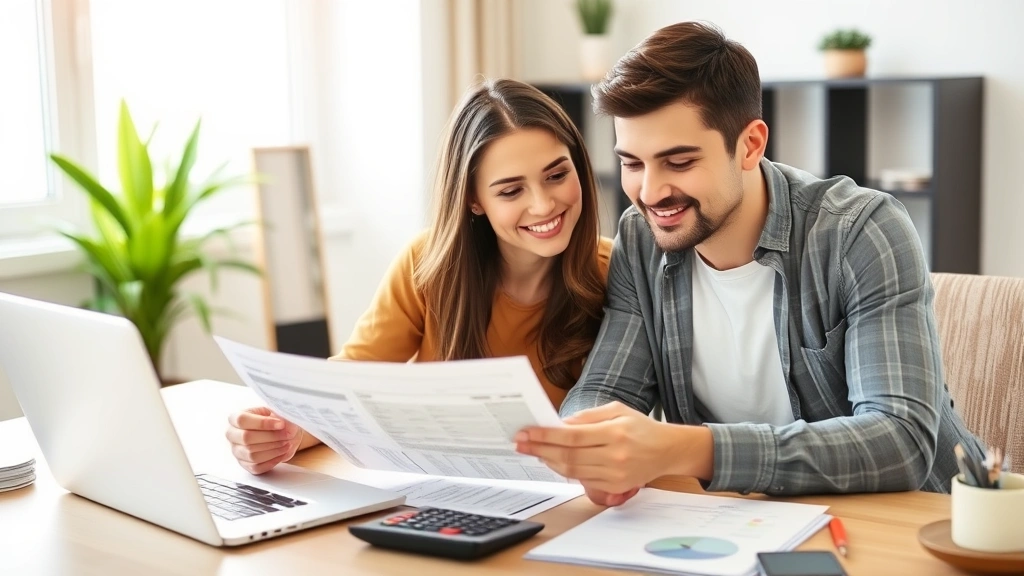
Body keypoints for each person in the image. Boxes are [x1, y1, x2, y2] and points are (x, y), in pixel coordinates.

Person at [513, 21, 985, 506]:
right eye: (632, 163)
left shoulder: (860, 231)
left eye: (679, 162)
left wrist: (690, 449)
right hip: (748, 520)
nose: (650, 193)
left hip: (921, 521)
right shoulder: (640, 238)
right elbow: (607, 387)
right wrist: (588, 444)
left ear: (751, 145)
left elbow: (900, 441)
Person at [225, 79, 613, 475]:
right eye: (511, 191)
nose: (544, 205)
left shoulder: (615, 271)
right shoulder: (428, 264)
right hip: (445, 485)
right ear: (473, 200)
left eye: (556, 175)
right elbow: (352, 382)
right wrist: (286, 431)